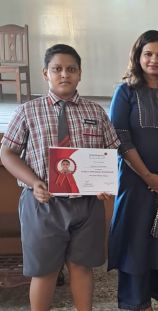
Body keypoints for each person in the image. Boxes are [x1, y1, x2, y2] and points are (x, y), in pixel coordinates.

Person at [0, 44, 119, 310]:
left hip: (86, 205)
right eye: (57, 69)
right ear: (46, 73)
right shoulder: (28, 111)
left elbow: (111, 150)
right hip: (43, 202)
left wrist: (104, 182)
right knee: (44, 271)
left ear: (80, 74)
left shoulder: (96, 112)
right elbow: (7, 152)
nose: (64, 74)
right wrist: (34, 182)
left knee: (81, 267)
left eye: (71, 69)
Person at [107, 30, 158, 311]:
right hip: (135, 182)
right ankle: (137, 302)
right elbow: (120, 136)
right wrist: (148, 177)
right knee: (136, 245)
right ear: (138, 57)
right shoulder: (125, 91)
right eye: (148, 54)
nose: (154, 60)